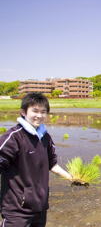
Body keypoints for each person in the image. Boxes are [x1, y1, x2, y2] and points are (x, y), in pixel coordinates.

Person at [0, 92, 74, 227]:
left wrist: (71, 177)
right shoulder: (14, 137)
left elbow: (52, 164)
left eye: (43, 112)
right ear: (23, 112)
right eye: (35, 111)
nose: (39, 116)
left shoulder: (45, 137)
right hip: (17, 210)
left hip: (40, 207)